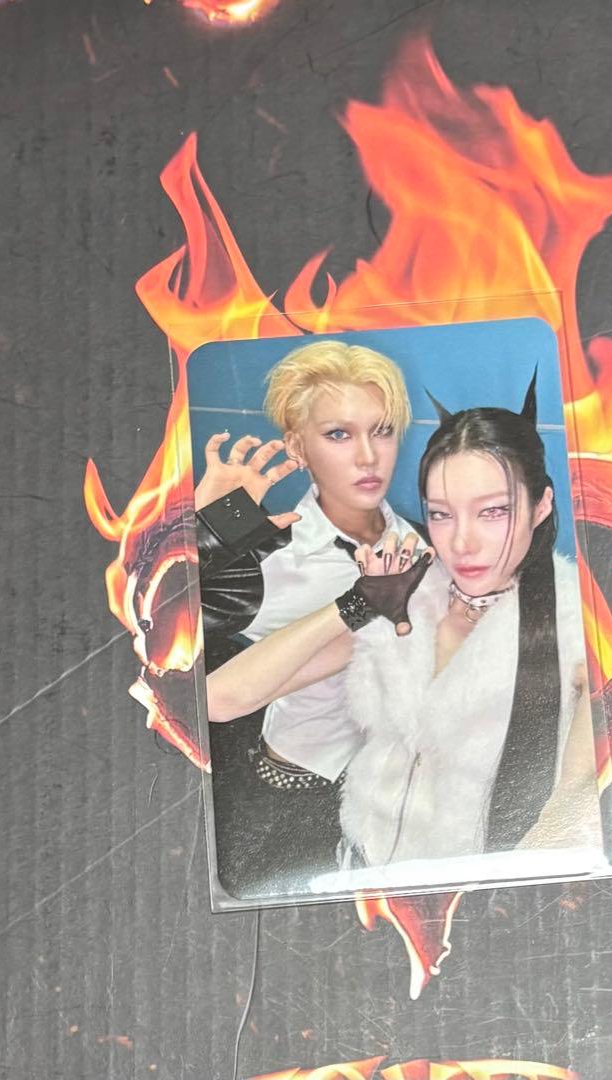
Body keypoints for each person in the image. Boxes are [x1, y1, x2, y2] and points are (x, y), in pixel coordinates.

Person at [206, 376, 599, 887]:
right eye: (441, 514)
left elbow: (570, 806)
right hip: (353, 868)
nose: (463, 542)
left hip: (456, 900)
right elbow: (221, 699)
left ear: (541, 506)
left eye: (493, 512)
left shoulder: (577, 623)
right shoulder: (412, 593)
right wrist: (355, 604)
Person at [192, 339, 420, 897]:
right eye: (338, 434)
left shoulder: (429, 545)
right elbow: (186, 684)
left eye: (382, 431)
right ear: (297, 445)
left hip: (403, 809)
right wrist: (199, 539)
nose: (367, 457)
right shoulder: (262, 555)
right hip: (288, 803)